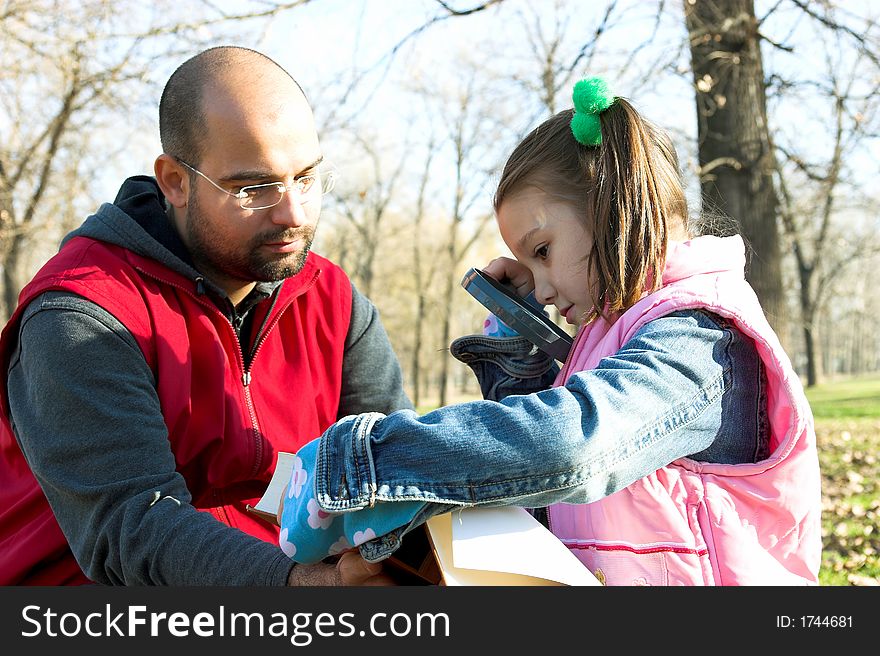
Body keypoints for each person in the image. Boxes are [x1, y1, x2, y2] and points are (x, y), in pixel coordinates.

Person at [276, 77, 822, 585]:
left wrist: (370, 461)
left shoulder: (703, 340)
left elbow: (570, 446)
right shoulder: (614, 335)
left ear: (613, 207)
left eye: (542, 251)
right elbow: (535, 489)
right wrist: (520, 340)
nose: (539, 287)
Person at [0, 45, 410, 586]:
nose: (294, 214)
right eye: (253, 188)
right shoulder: (83, 316)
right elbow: (133, 526)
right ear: (174, 180)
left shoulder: (330, 297)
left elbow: (396, 469)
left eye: (306, 178)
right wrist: (306, 587)